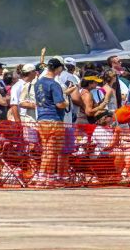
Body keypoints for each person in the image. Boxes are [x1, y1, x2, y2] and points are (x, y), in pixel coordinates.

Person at [34, 58, 73, 187]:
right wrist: (66, 102)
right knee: (53, 150)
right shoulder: (53, 84)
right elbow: (59, 104)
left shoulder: (38, 83)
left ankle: (42, 176)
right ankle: (49, 177)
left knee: (46, 150)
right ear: (58, 68)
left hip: (41, 119)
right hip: (54, 120)